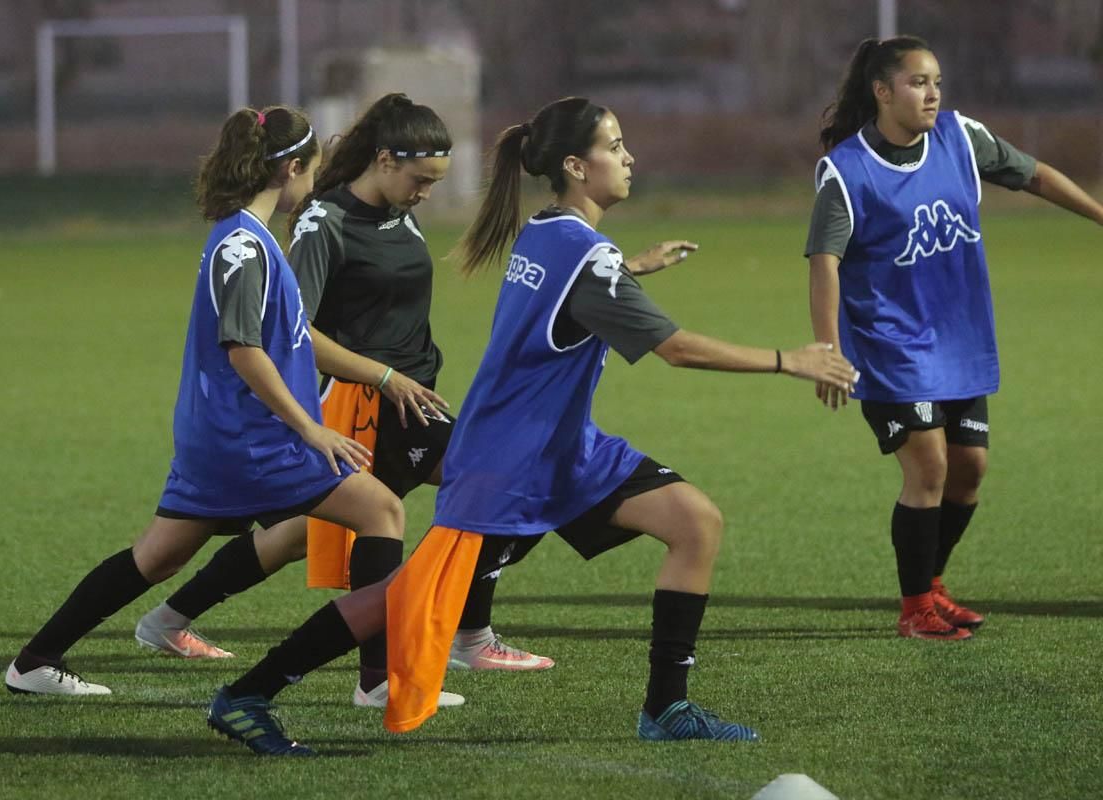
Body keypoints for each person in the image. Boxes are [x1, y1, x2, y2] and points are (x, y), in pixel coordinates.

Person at [204, 96, 857, 756]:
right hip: (508, 463)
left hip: (566, 451)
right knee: (404, 596)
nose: (629, 157)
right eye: (615, 145)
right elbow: (676, 348)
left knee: (695, 522)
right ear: (576, 165)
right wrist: (791, 360)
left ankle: (667, 707)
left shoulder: (547, 232)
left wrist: (631, 268)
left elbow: (574, 294)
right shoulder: (580, 253)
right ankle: (248, 693)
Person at [134, 94, 549, 711]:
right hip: (367, 403)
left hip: (409, 399)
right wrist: (384, 376)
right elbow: (296, 333)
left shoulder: (396, 214)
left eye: (435, 183)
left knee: (300, 533)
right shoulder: (321, 222)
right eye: (419, 179)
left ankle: (169, 617)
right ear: (384, 159)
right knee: (501, 481)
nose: (426, 194)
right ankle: (454, 640)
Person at [4, 105, 404, 698]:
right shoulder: (244, 247)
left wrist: (380, 377)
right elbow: (244, 349)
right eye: (312, 170)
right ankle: (379, 680)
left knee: (157, 557)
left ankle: (34, 661)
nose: (313, 182)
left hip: (221, 437)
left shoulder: (246, 238)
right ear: (291, 168)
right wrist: (311, 429)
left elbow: (289, 336)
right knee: (383, 512)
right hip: (254, 440)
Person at [806, 36, 1103, 640]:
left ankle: (932, 583)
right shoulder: (847, 171)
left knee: (970, 470)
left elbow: (1036, 176)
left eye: (937, 80)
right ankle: (915, 608)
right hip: (890, 346)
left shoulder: (961, 138)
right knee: (930, 467)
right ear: (882, 91)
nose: (932, 93)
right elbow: (824, 263)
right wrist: (825, 349)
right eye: (917, 82)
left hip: (959, 341)